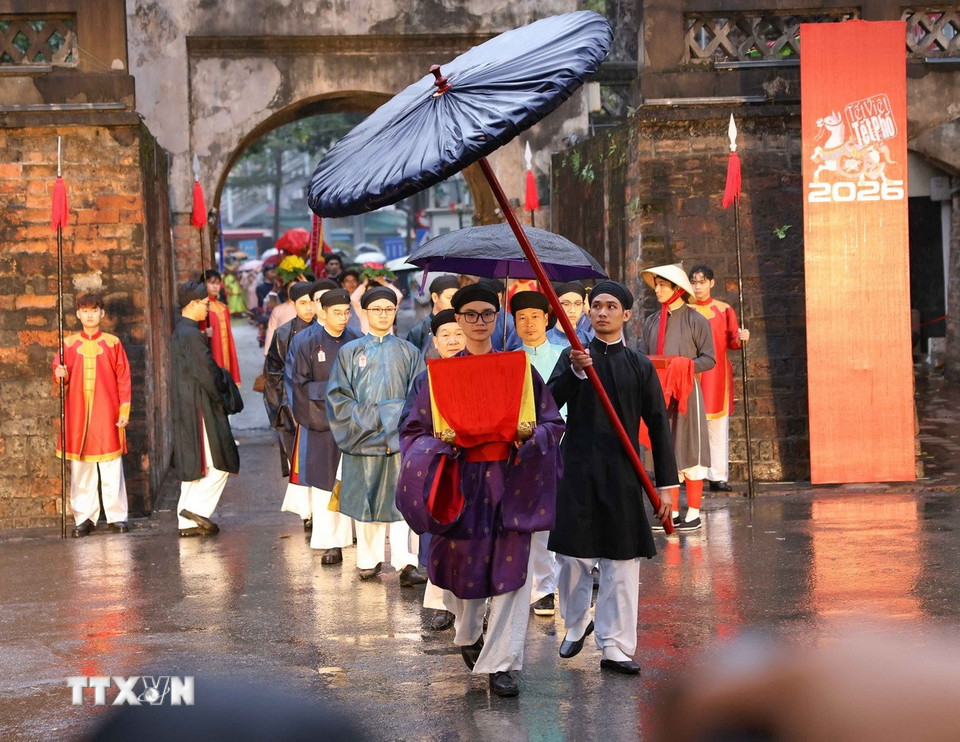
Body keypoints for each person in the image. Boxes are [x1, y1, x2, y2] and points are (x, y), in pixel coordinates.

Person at [397, 283, 565, 697]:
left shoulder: (520, 370)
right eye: (469, 314)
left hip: (512, 482)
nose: (478, 322)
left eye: (486, 314)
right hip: (460, 484)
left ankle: (502, 663)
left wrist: (531, 437)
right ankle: (468, 633)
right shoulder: (435, 377)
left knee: (512, 576)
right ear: (456, 319)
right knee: (463, 574)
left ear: (497, 318)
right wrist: (442, 442)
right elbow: (411, 430)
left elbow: (551, 423)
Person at [548, 280, 678, 675]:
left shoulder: (639, 365)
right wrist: (574, 371)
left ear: (625, 314)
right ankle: (575, 622)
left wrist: (666, 487)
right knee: (572, 557)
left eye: (610, 307)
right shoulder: (575, 356)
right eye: (597, 306)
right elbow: (550, 402)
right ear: (589, 313)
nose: (602, 312)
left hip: (623, 472)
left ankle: (616, 646)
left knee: (621, 563)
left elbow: (657, 424)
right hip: (577, 468)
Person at [325, 286, 426, 583]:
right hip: (361, 438)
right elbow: (337, 398)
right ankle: (368, 560)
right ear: (365, 313)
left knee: (401, 502)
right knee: (365, 502)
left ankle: (406, 562)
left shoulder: (409, 351)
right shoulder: (349, 352)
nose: (383, 315)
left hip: (399, 441)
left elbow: (417, 396)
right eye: (376, 310)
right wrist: (377, 416)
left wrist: (395, 418)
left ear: (396, 312)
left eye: (389, 309)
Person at [397, 308, 465, 631]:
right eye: (446, 336)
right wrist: (435, 445)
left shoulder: (481, 370)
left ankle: (472, 607)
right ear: (434, 342)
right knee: (439, 538)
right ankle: (441, 604)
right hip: (440, 468)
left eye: (458, 333)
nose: (453, 341)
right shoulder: (424, 379)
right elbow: (409, 427)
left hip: (474, 467)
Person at [637, 264, 715, 531]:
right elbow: (644, 357)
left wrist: (683, 366)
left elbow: (709, 359)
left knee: (689, 446)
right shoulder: (651, 322)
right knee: (662, 446)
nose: (656, 289)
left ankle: (693, 510)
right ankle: (672, 511)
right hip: (658, 393)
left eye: (662, 284)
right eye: (656, 284)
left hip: (686, 393)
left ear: (677, 289)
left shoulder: (696, 320)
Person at [287, 287, 360, 563]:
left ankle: (352, 538)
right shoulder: (307, 342)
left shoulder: (356, 338)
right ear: (323, 312)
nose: (342, 318)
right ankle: (330, 543)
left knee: (351, 479)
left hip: (353, 421)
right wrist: (334, 392)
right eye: (336, 313)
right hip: (322, 420)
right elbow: (300, 385)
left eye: (346, 312)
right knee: (325, 483)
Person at [53, 293, 132, 538]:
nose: (89, 315)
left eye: (94, 310)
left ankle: (116, 516)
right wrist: (59, 373)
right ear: (78, 314)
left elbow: (123, 378)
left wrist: (124, 409)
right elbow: (59, 377)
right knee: (81, 468)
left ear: (102, 313)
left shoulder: (113, 343)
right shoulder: (67, 345)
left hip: (106, 411)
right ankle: (84, 517)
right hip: (78, 414)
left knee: (110, 466)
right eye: (84, 311)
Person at [511, 290, 565, 618]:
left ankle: (579, 577)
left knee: (568, 514)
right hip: (526, 447)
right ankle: (543, 587)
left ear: (547, 318)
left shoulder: (565, 355)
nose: (529, 324)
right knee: (537, 518)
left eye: (535, 316)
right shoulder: (508, 360)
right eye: (521, 318)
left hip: (565, 440)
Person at [171, 281, 239, 537]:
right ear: (192, 304)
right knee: (220, 463)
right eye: (204, 303)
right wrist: (224, 390)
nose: (207, 308)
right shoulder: (190, 334)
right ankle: (194, 511)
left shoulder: (182, 331)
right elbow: (208, 373)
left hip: (188, 402)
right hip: (200, 404)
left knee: (197, 467)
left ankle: (187, 522)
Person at [687, 264, 750, 492]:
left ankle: (718, 475)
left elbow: (733, 341)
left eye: (702, 282)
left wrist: (742, 336)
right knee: (690, 425)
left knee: (717, 425)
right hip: (691, 373)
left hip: (716, 375)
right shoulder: (684, 310)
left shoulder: (724, 310)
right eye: (694, 282)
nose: (697, 286)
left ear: (711, 283)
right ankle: (691, 474)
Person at [263, 281, 317, 527]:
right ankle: (307, 513)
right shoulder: (283, 334)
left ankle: (321, 510)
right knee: (297, 458)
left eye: (311, 302)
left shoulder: (324, 330)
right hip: (290, 405)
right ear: (293, 304)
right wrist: (280, 410)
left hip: (318, 404)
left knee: (319, 459)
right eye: (302, 303)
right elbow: (272, 374)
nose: (308, 309)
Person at [198, 269, 241, 385]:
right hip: (210, 351)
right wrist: (203, 333)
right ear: (204, 284)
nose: (215, 287)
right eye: (212, 283)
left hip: (225, 349)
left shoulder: (223, 307)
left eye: (217, 284)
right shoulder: (200, 307)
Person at [405, 275, 460, 358]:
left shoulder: (464, 325)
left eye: (457, 298)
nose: (454, 303)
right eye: (449, 298)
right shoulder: (419, 330)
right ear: (435, 297)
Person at [545, 281, 595, 348]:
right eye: (566, 304)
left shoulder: (591, 340)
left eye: (578, 304)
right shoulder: (542, 341)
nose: (572, 310)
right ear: (553, 305)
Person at [479, 278, 521, 351]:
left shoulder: (509, 322)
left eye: (486, 294)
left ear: (499, 296)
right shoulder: (477, 317)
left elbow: (515, 351)